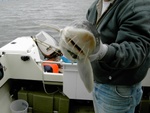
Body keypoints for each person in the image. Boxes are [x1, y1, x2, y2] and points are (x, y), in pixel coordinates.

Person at [82, 0, 150, 113]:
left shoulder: (136, 5)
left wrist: (102, 51)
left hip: (117, 91)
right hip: (98, 82)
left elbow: (135, 52)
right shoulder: (96, 5)